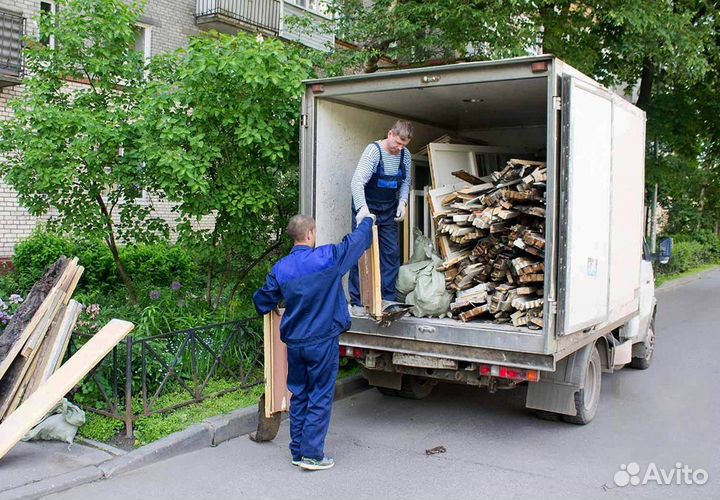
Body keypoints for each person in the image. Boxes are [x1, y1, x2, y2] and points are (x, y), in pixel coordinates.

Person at [253, 212, 375, 471]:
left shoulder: (281, 268)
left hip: (295, 343)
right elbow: (356, 243)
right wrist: (367, 219)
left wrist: (274, 302)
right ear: (309, 234)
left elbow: (261, 300)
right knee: (320, 394)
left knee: (299, 394)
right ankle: (312, 456)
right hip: (322, 341)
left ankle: (297, 451)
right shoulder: (327, 258)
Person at [348, 120, 413, 315]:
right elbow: (357, 182)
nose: (399, 148)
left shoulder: (405, 155)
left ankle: (388, 299)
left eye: (404, 145)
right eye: (398, 143)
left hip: (388, 209)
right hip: (367, 207)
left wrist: (402, 202)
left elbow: (406, 181)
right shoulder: (373, 151)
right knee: (361, 253)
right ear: (390, 134)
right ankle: (358, 302)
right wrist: (362, 210)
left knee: (391, 254)